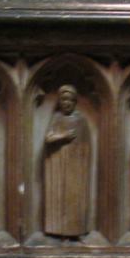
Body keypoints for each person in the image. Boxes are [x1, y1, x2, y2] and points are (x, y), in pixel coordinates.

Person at [42, 84, 91, 238]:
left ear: (75, 101)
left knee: (74, 198)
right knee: (60, 197)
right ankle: (59, 231)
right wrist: (63, 136)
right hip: (59, 164)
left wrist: (82, 162)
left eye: (70, 99)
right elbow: (48, 138)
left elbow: (87, 146)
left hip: (76, 166)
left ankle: (76, 231)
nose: (66, 102)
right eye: (63, 99)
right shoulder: (56, 118)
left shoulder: (81, 120)